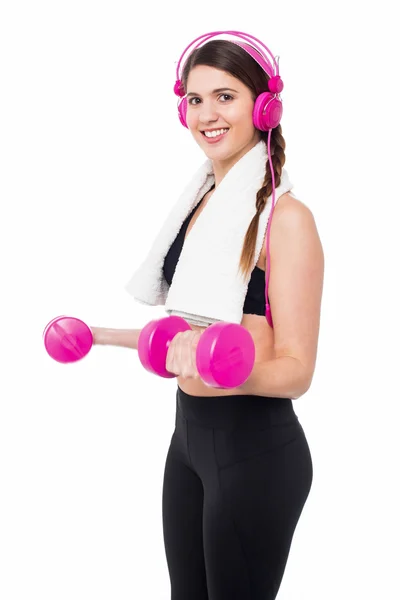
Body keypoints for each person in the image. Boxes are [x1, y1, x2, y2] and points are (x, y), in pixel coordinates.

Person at [93, 31, 324, 600]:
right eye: (195, 99)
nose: (207, 114)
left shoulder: (285, 219)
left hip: (256, 453)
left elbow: (297, 369)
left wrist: (216, 364)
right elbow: (183, 336)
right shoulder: (198, 210)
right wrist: (100, 335)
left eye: (226, 96)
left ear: (263, 106)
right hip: (188, 443)